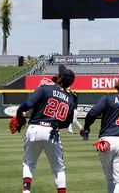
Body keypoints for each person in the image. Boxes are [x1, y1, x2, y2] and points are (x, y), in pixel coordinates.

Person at [15, 65, 77, 193]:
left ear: (60, 79)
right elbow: (66, 123)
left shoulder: (44, 88)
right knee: (58, 169)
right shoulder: (70, 99)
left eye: (59, 73)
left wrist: (19, 112)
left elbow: (28, 104)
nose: (57, 74)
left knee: (29, 163)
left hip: (35, 129)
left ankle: (26, 191)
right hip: (52, 132)